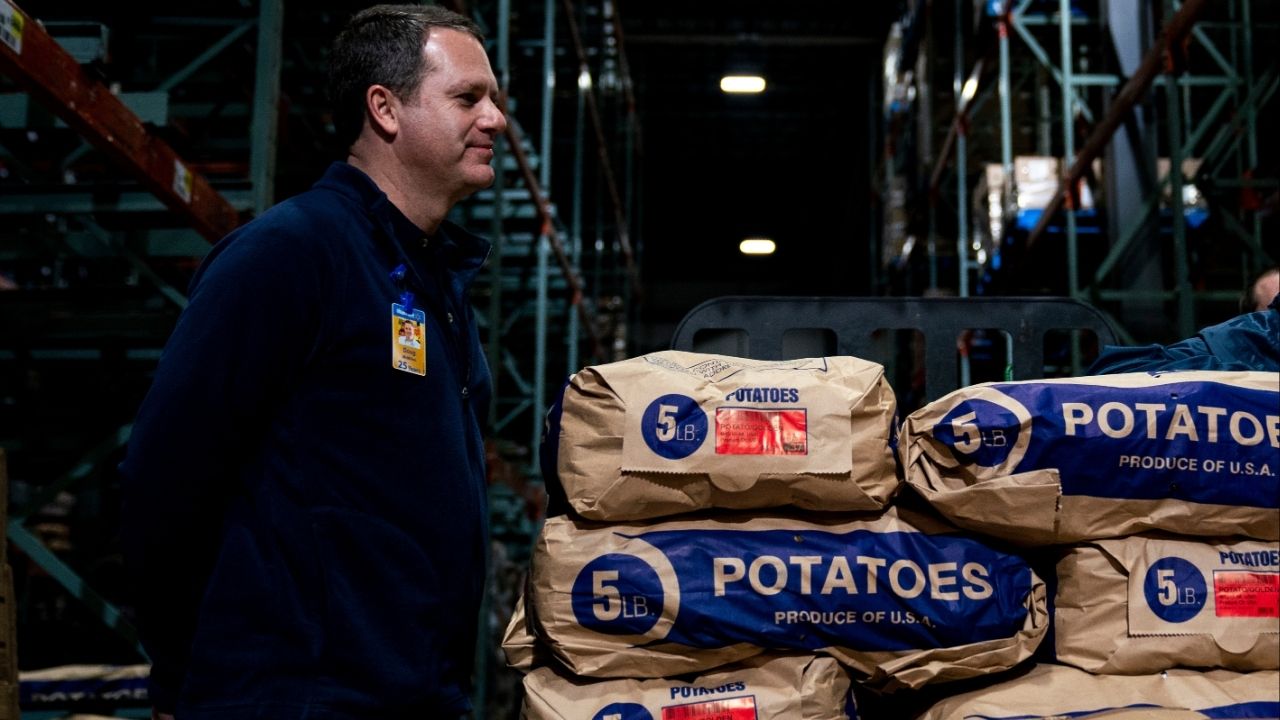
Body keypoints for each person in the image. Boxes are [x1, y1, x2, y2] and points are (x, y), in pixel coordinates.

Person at [118, 5, 506, 718]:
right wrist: (191, 671)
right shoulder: (292, 253)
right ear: (385, 109)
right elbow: (162, 479)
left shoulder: (434, 287)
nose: (495, 120)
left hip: (413, 695)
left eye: (493, 99)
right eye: (467, 98)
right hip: (293, 698)